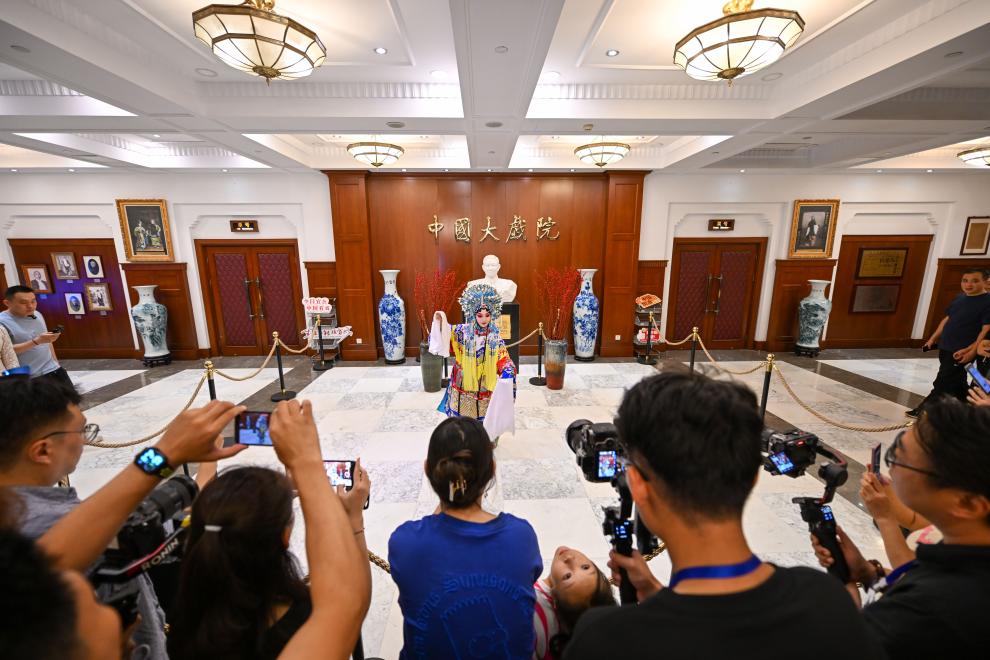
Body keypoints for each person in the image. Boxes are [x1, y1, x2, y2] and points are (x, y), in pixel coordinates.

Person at [564, 372, 881, 660]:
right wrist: (653, 590)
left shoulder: (605, 640)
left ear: (638, 486)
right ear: (752, 478)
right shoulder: (828, 601)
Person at [0, 389, 247, 660]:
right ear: (42, 450)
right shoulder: (47, 525)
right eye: (81, 431)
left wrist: (173, 457)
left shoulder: (23, 516)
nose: (85, 439)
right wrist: (165, 454)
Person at [810, 398, 990, 658]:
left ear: (968, 504)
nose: (891, 469)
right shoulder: (962, 551)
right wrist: (870, 573)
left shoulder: (923, 612)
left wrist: (847, 592)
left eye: (899, 459)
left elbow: (855, 646)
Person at [168, 453, 371, 658]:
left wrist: (278, 497)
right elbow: (354, 601)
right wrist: (353, 517)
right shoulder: (303, 621)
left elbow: (211, 517)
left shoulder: (184, 616)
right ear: (285, 537)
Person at [388, 417, 542, 659]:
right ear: (492, 470)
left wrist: (354, 519)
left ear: (428, 469)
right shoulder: (521, 537)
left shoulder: (406, 543)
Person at [430, 283, 516, 439]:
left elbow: (503, 357)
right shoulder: (462, 331)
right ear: (472, 314)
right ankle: (462, 437)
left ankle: (485, 437)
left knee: (485, 416)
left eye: (487, 315)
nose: (484, 319)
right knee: (461, 419)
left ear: (493, 314)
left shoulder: (495, 336)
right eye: (480, 315)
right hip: (463, 383)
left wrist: (508, 368)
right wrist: (440, 321)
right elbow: (446, 334)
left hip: (485, 383)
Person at [911, 268, 990, 416]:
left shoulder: (987, 302)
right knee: (957, 380)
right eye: (965, 281)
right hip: (947, 345)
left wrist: (971, 351)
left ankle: (925, 410)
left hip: (963, 349)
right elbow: (947, 319)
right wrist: (933, 338)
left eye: (975, 281)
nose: (969, 284)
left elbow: (986, 330)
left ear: (986, 282)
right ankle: (965, 406)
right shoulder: (959, 298)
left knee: (944, 379)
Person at [533, 546, 615, 660]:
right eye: (585, 567)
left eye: (567, 576)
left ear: (555, 599)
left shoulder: (532, 608)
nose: (570, 559)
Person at [0, 285, 70, 387]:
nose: (30, 306)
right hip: (29, 378)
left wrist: (56, 363)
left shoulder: (37, 314)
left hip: (54, 370)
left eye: (33, 301)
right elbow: (5, 353)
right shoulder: (2, 322)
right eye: (23, 302)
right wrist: (36, 341)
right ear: (7, 303)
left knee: (71, 397)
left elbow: (47, 343)